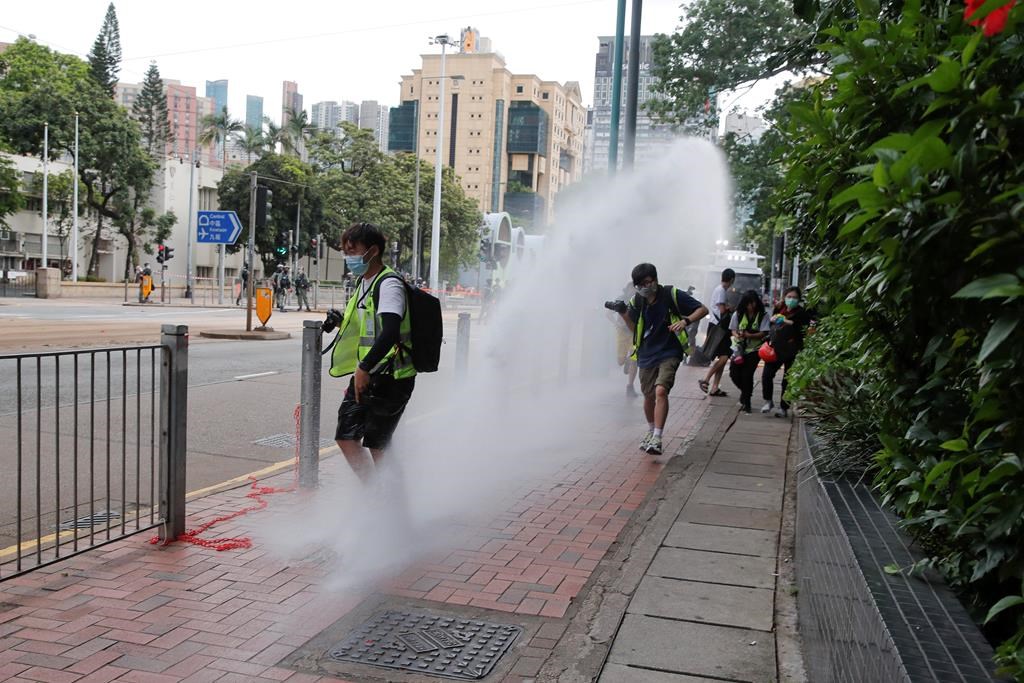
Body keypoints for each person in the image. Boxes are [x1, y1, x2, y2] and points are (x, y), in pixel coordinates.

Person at [329, 222, 417, 483]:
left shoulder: (389, 285)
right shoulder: (363, 282)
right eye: (346, 251)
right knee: (346, 436)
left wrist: (364, 367)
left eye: (353, 251)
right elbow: (367, 326)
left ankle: (395, 502)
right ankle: (373, 493)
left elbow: (390, 331)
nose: (349, 257)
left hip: (392, 375)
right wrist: (339, 322)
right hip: (369, 373)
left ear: (373, 251)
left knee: (379, 445)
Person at [615, 263, 707, 457]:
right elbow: (634, 329)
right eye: (640, 284)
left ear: (655, 280)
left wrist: (685, 321)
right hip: (647, 353)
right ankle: (651, 431)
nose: (645, 287)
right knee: (648, 396)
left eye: (648, 282)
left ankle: (657, 437)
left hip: (669, 351)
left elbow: (702, 309)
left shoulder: (671, 294)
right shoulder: (637, 301)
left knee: (661, 390)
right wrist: (623, 314)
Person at [761, 286, 815, 418]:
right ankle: (768, 401)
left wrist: (786, 321)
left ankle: (784, 407)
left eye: (794, 297)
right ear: (784, 297)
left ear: (799, 299)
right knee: (767, 375)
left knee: (787, 380)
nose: (791, 300)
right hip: (776, 348)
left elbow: (802, 329)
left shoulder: (802, 313)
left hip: (793, 350)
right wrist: (774, 320)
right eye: (789, 297)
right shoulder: (779, 308)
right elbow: (772, 326)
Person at [728, 289, 770, 413]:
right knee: (734, 374)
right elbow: (733, 329)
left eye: (753, 303)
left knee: (747, 375)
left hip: (755, 350)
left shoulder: (763, 315)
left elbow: (764, 332)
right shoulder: (738, 314)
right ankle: (745, 392)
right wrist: (737, 335)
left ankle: (747, 402)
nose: (751, 306)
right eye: (748, 303)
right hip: (739, 349)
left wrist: (750, 335)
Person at [698, 268, 735, 397]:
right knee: (725, 356)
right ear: (732, 279)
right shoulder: (721, 291)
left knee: (723, 356)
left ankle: (715, 387)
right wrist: (730, 308)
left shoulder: (720, 289)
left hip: (719, 327)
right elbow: (722, 310)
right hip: (718, 327)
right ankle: (705, 379)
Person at [608, 282, 639, 398]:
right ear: (627, 289)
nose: (633, 291)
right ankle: (626, 361)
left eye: (635, 289)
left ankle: (630, 386)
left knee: (634, 360)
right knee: (620, 361)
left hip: (634, 333)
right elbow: (608, 314)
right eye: (631, 288)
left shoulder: (639, 301)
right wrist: (616, 324)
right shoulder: (621, 299)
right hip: (622, 333)